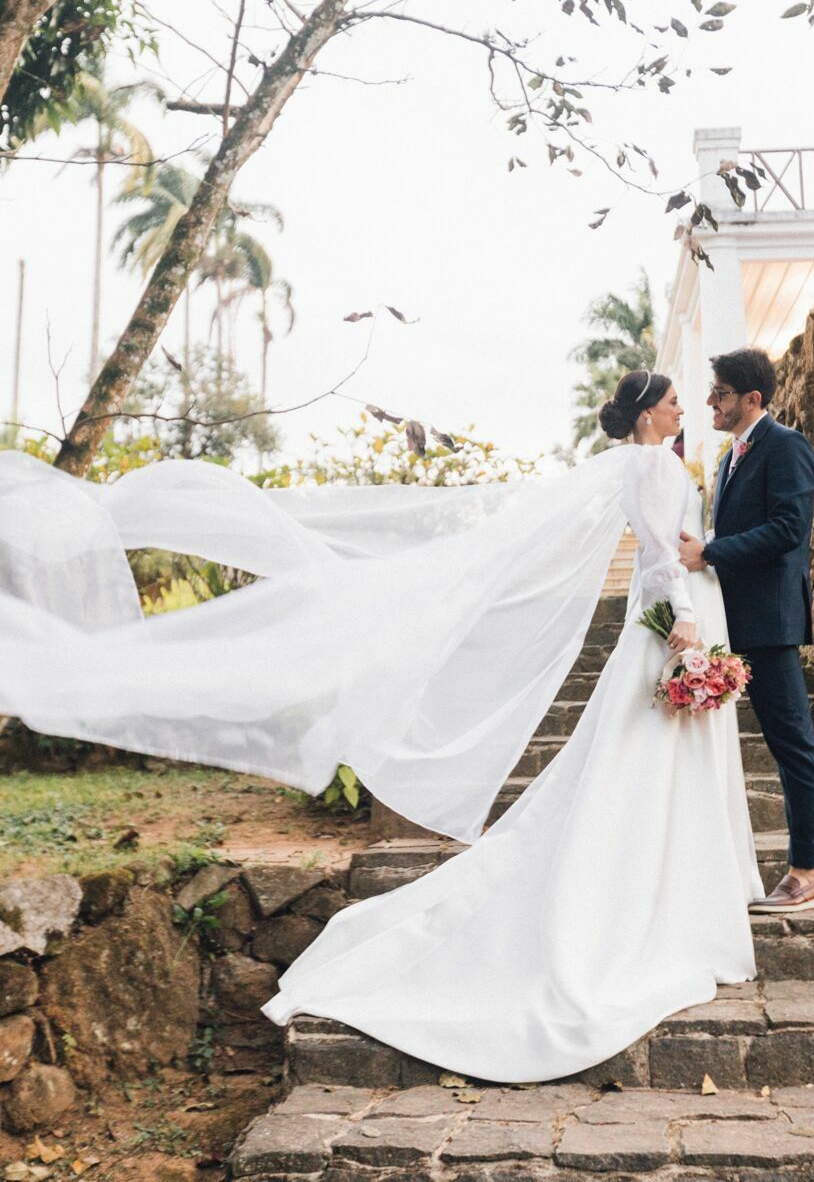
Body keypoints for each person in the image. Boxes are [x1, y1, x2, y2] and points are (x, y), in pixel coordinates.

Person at [0, 374, 762, 1084]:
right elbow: (664, 561)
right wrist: (688, 635)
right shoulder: (657, 468)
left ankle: (664, 882)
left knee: (633, 764)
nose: (681, 411)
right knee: (645, 763)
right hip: (672, 629)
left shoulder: (632, 467)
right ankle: (666, 895)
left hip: (654, 629)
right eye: (669, 403)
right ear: (643, 415)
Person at [679, 347, 814, 912]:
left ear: (752, 400)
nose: (710, 401)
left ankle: (809, 873)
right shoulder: (728, 457)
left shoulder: (786, 446)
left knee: (795, 746)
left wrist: (709, 554)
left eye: (718, 392)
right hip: (731, 623)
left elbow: (788, 530)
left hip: (768, 622)